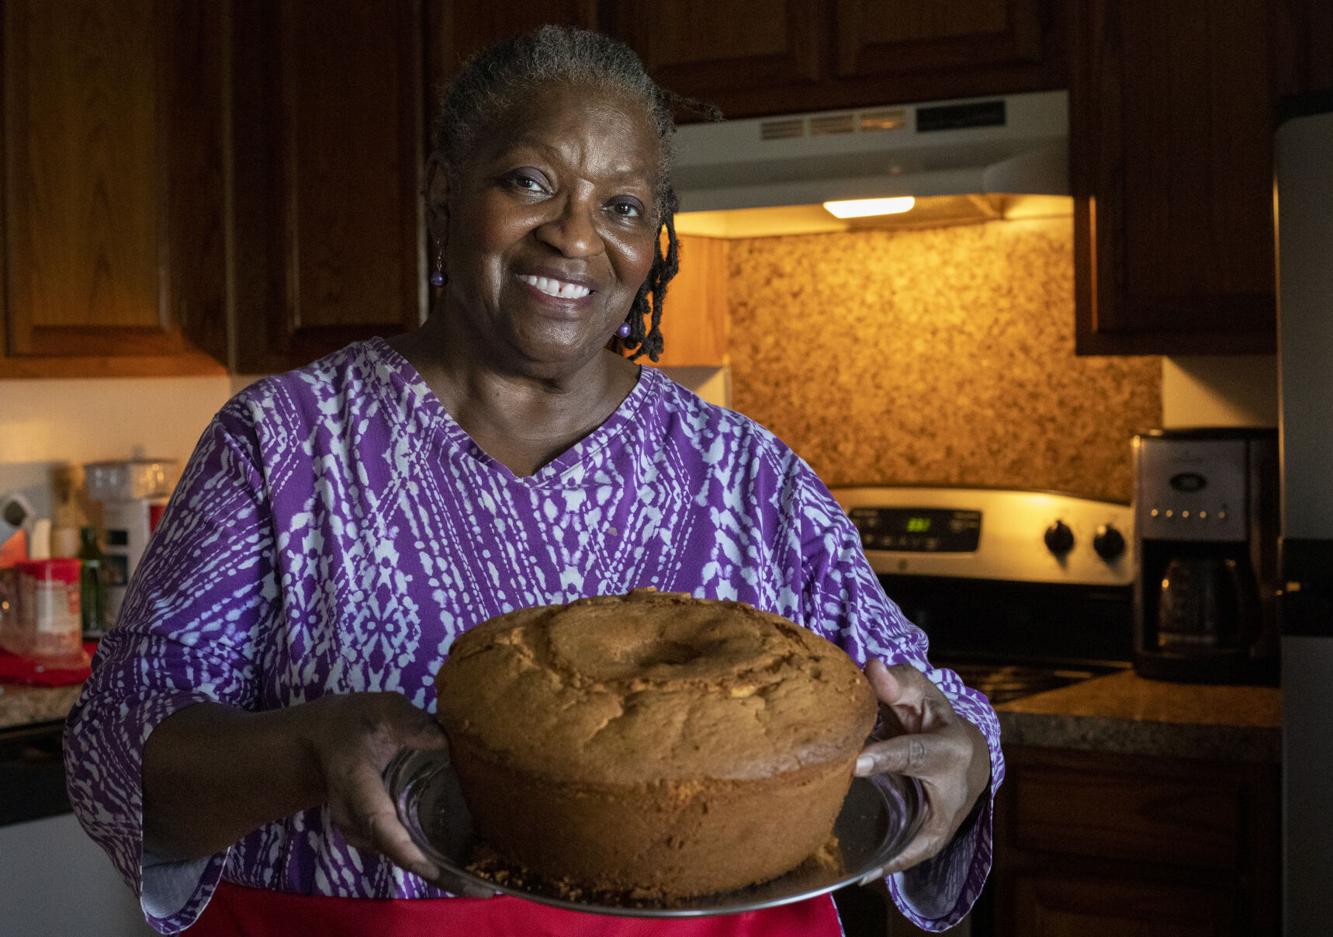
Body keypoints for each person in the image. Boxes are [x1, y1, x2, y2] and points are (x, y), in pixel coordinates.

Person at [64, 25, 999, 937]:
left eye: (623, 205)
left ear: (654, 237)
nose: (574, 236)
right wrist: (302, 749)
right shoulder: (284, 446)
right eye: (530, 182)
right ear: (443, 193)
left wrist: (960, 755)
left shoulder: (749, 477)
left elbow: (929, 710)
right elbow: (120, 752)